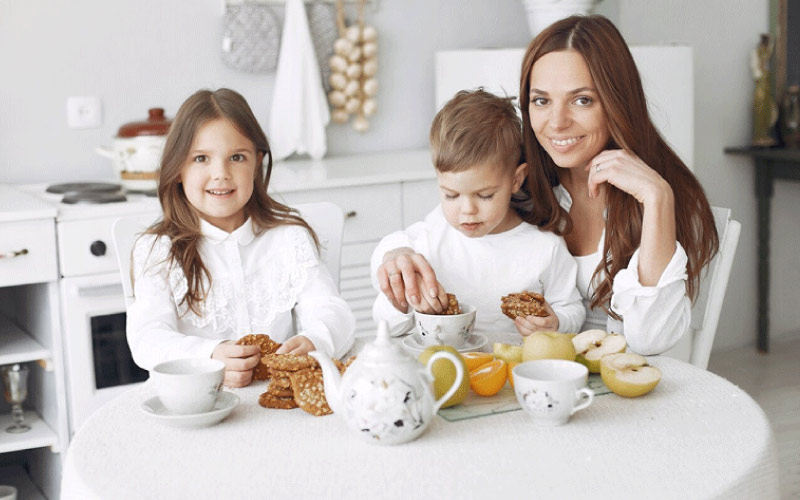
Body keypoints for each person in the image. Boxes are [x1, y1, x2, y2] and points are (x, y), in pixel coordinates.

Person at [374, 15, 718, 355]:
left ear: (616, 102)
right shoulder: (520, 186)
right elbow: (435, 235)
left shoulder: (659, 198)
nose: (557, 122)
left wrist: (657, 198)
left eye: (582, 99)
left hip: (625, 386)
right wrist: (396, 253)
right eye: (541, 100)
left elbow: (651, 342)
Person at [127, 88, 355, 387]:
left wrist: (316, 340)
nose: (221, 173)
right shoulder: (158, 252)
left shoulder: (290, 239)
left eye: (236, 157)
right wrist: (208, 356)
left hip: (280, 408)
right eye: (201, 158)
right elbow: (147, 338)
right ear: (178, 168)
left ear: (257, 162)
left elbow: (332, 311)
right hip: (200, 405)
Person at [371, 89, 585, 336]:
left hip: (512, 371)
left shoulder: (545, 247)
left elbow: (572, 309)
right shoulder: (429, 240)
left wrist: (557, 322)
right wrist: (400, 304)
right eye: (451, 195)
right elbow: (386, 324)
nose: (467, 210)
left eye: (484, 195)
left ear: (516, 180)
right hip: (444, 370)